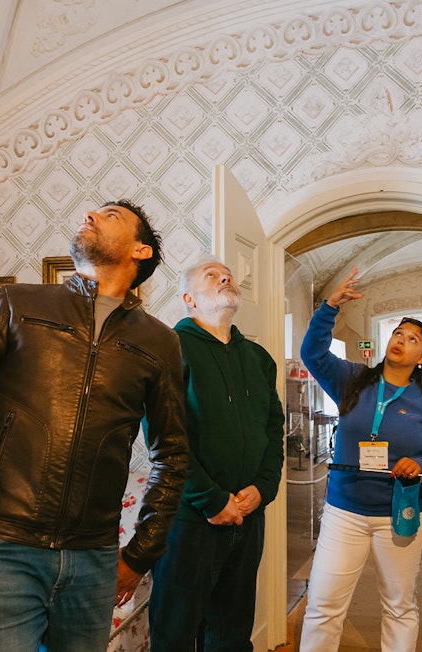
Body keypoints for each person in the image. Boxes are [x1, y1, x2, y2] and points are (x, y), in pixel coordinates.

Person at [0, 200, 189, 651]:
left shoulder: (160, 342)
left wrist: (141, 553)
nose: (90, 214)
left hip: (94, 558)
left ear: (141, 251)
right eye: (92, 211)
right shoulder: (14, 305)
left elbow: (173, 453)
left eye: (111, 214)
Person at [298, 266, 422, 652]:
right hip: (344, 511)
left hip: (399, 515)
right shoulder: (353, 379)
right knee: (323, 605)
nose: (400, 340)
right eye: (398, 333)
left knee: (399, 607)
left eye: (412, 338)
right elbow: (311, 353)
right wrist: (329, 307)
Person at [148, 256, 285, 651]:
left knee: (232, 632)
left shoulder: (259, 359)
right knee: (175, 633)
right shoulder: (169, 351)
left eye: (228, 274)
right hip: (189, 519)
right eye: (212, 275)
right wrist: (211, 499)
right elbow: (164, 438)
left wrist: (264, 486)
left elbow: (273, 429)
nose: (226, 277)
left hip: (248, 516)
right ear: (189, 298)